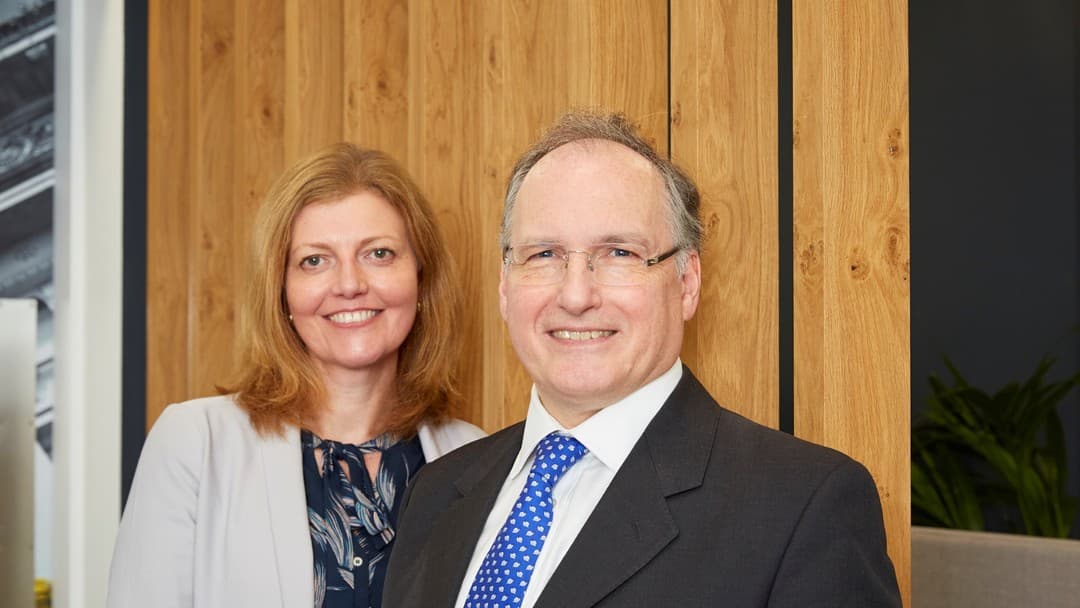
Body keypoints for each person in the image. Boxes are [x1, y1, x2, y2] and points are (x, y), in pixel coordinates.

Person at [383, 112, 901, 607]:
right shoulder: (435, 493)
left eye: (620, 254)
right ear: (505, 286)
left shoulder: (802, 509)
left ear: (687, 282)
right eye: (543, 255)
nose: (576, 295)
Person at [107, 143, 485, 607]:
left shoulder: (476, 458)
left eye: (379, 253)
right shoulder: (195, 443)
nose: (350, 284)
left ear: (421, 278)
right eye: (314, 260)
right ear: (281, 291)